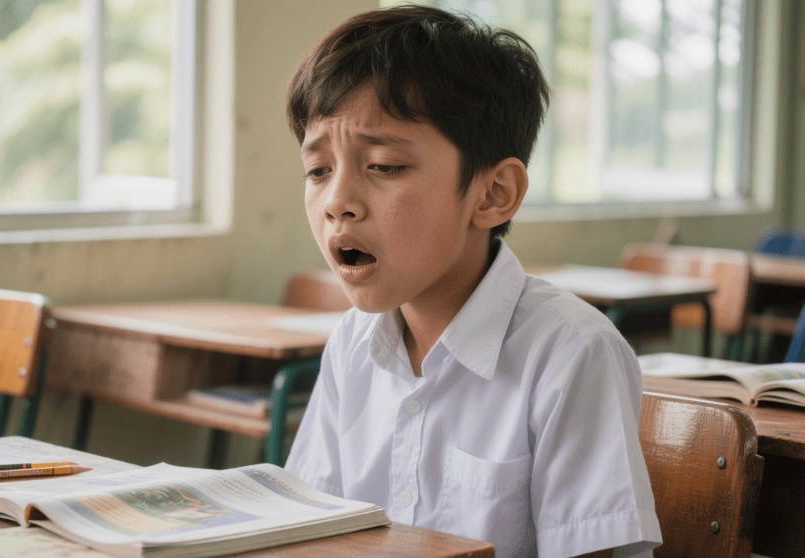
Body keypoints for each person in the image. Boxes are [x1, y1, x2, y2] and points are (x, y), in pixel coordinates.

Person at [282, 5, 661, 558]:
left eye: (384, 165)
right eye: (318, 171)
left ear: (493, 194)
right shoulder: (352, 344)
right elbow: (310, 532)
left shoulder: (571, 354)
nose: (337, 202)